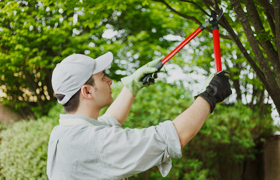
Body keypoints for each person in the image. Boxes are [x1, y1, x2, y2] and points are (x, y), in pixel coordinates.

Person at [47, 51, 232, 180]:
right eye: (103, 77)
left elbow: (110, 122)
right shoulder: (95, 142)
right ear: (87, 92)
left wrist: (133, 85)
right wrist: (210, 96)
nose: (110, 81)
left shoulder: (64, 133)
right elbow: (172, 137)